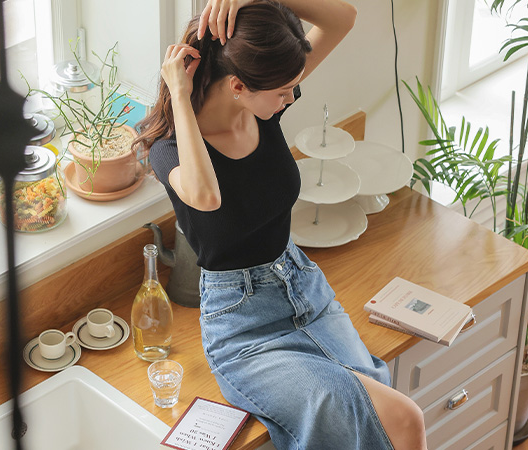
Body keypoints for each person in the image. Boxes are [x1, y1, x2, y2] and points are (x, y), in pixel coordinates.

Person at [136, 1, 428, 448]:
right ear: (237, 85)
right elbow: (206, 196)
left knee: (400, 416)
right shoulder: (169, 149)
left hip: (304, 289)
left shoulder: (263, 107)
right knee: (392, 414)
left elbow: (343, 18)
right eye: (284, 90)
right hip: (243, 329)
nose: (293, 96)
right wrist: (179, 93)